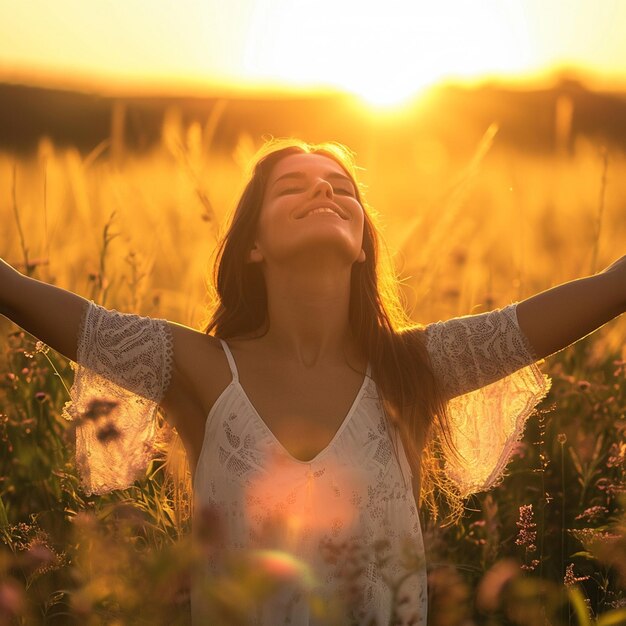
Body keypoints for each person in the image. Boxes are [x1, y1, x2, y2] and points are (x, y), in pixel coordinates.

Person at [0, 138, 624, 625]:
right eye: (292, 187)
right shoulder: (199, 368)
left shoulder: (414, 369)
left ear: (361, 245)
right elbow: (20, 293)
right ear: (253, 245)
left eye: (340, 187)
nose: (323, 192)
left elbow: (606, 289)